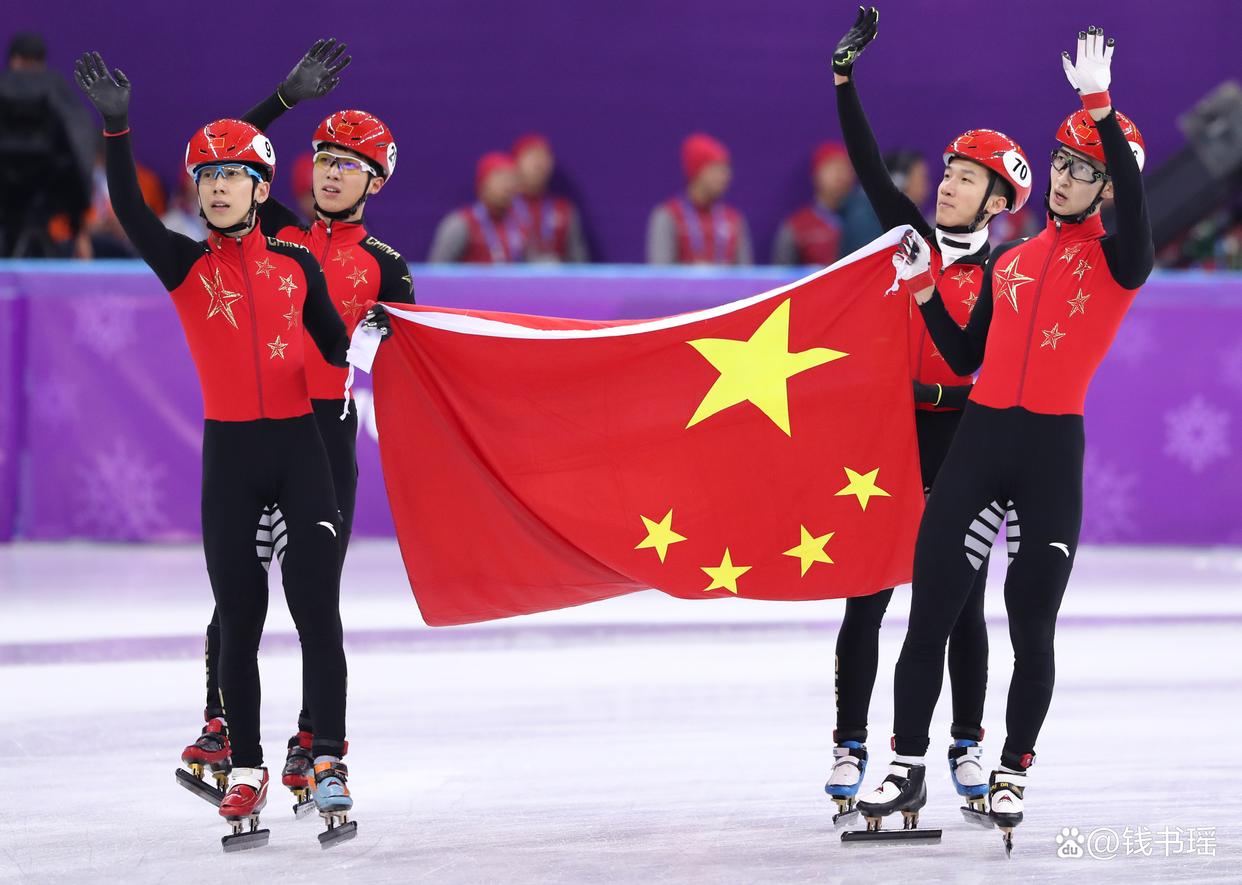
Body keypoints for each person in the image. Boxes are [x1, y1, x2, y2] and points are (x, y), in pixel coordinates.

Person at [856, 26, 1152, 851]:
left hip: (1049, 456)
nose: (1062, 176)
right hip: (980, 444)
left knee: (1031, 625)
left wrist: (1102, 108)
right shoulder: (1011, 260)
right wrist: (924, 289)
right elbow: (963, 357)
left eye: (1082, 169)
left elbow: (1137, 210)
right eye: (1059, 161)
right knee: (929, 614)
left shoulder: (1121, 262)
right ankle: (905, 763)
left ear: (1107, 186)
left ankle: (1014, 765)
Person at [74, 51, 357, 848]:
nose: (218, 186)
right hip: (230, 459)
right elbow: (129, 208)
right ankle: (246, 767)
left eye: (234, 176)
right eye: (206, 178)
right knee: (239, 618)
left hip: (300, 451)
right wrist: (118, 128)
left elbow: (338, 344)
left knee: (316, 609)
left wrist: (372, 344)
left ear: (262, 190)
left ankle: (329, 757)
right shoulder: (184, 264)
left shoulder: (298, 262)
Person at [821, 6, 1032, 826]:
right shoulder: (905, 234)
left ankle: (966, 744)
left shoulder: (1008, 273)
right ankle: (850, 744)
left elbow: (989, 363)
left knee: (961, 603)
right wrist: (845, 78)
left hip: (960, 439)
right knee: (867, 594)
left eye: (966, 177)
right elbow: (870, 167)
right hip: (888, 435)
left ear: (997, 201)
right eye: (947, 170)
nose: (946, 183)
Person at [194, 38, 411, 809]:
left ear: (375, 180)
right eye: (322, 157)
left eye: (347, 163)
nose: (329, 171)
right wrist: (283, 101)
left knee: (313, 597)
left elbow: (416, 362)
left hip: (327, 436)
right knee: (236, 589)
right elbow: (230, 155)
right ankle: (222, 724)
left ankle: (314, 739)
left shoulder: (387, 265)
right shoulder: (278, 232)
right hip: (261, 425)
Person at [646, 133, 753, 265]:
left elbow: (746, 273)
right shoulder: (669, 216)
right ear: (697, 172)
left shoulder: (734, 219)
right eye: (716, 169)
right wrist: (695, 273)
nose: (725, 176)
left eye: (726, 169)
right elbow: (660, 271)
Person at [771, 141, 856, 266]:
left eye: (846, 168)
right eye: (832, 168)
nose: (840, 175)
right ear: (816, 174)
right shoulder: (796, 226)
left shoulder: (866, 220)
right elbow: (782, 273)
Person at [511, 132, 589, 262]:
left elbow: (580, 262)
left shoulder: (564, 210)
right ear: (515, 162)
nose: (538, 164)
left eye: (543, 157)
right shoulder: (504, 210)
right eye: (531, 157)